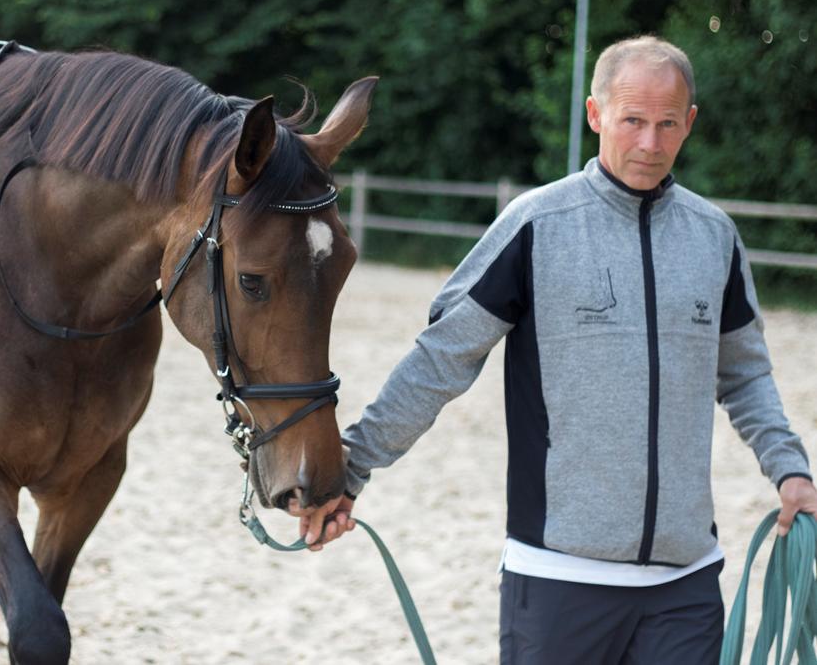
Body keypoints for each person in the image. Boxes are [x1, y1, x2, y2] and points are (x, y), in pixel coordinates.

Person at [295, 35, 817, 664]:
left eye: (667, 124)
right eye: (632, 120)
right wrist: (350, 469)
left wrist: (790, 470)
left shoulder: (714, 238)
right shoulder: (535, 226)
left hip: (685, 585)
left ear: (690, 123)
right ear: (596, 115)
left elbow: (745, 376)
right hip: (559, 578)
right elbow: (441, 360)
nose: (650, 143)